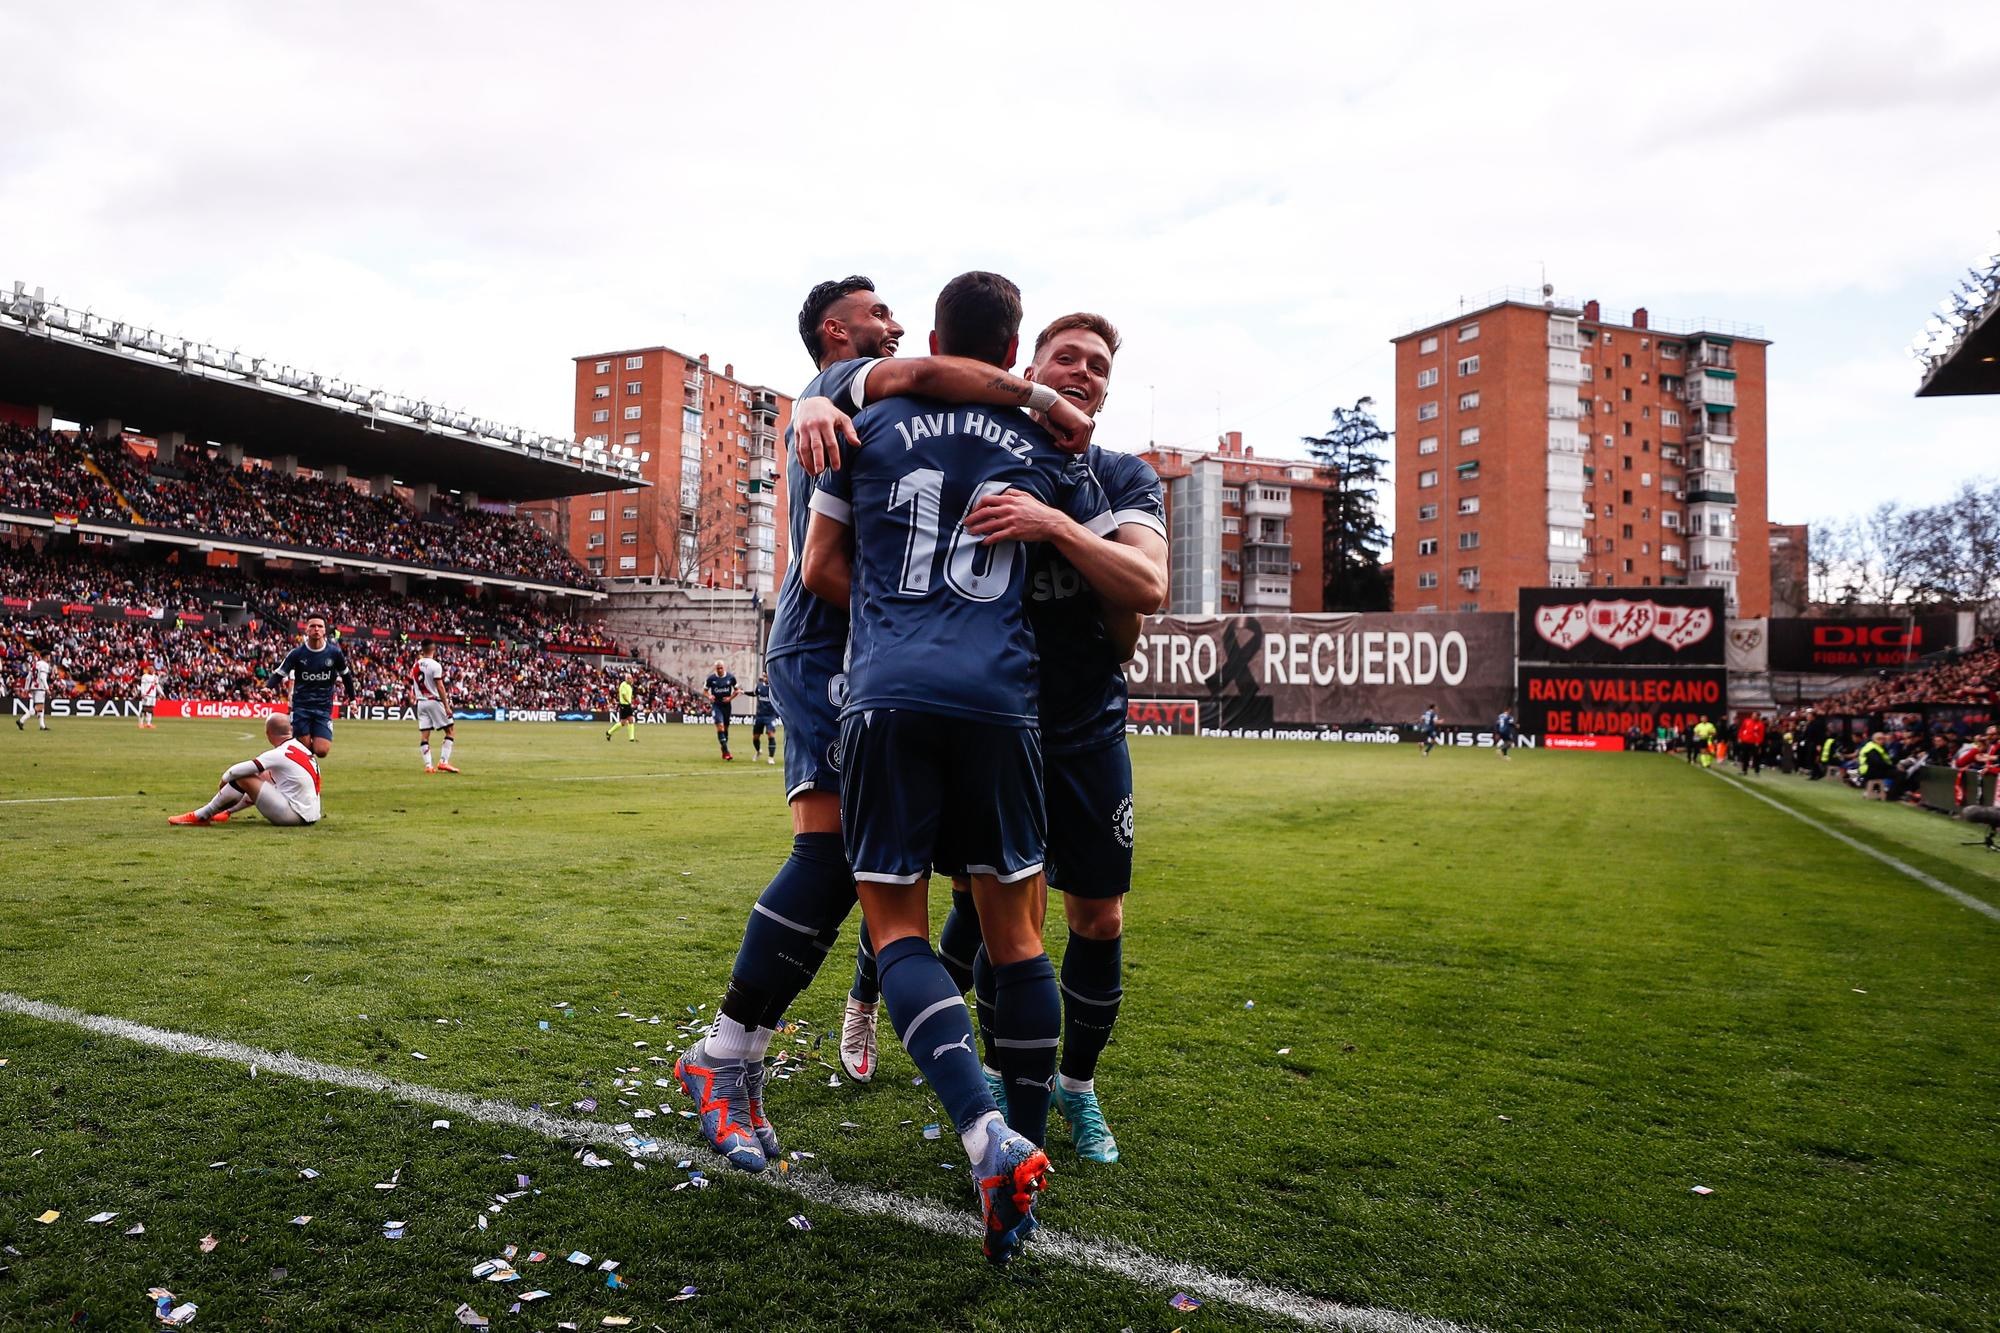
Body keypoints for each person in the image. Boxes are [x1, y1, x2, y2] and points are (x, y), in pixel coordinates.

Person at [679, 273, 1097, 1180]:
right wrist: (1034, 397)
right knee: (836, 862)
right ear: (835, 331)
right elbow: (916, 383)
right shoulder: (835, 388)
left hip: (882, 659)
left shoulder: (882, 399)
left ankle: (746, 1054)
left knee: (892, 875)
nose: (894, 325)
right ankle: (723, 1057)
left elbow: (934, 381)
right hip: (831, 650)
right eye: (877, 315)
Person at [798, 270, 1117, 1262]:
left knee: (894, 923)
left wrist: (902, 623)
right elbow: (1115, 600)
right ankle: (1021, 1153)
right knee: (1016, 936)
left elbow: (817, 570)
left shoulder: (867, 418)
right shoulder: (1059, 448)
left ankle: (980, 1128)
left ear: (931, 335)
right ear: (1016, 344)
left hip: (890, 691)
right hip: (1004, 703)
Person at [169, 713, 322, 827]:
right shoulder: (301, 748)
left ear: (268, 734)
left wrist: (224, 781)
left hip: (293, 816)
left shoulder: (279, 753)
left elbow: (235, 772)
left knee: (244, 778)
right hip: (310, 814)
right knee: (264, 776)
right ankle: (227, 812)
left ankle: (201, 816)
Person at [275, 615, 356, 760]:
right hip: (301, 707)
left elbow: (346, 676)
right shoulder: (297, 653)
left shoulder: (334, 653)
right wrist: (268, 687)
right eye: (312, 626)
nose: (316, 629)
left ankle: (298, 745)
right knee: (304, 750)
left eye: (319, 626)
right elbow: (280, 672)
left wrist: (353, 700)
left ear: (325, 630)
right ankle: (306, 769)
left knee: (322, 751)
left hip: (323, 708)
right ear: (306, 630)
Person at [411, 650, 458, 773]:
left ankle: (428, 766)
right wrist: (446, 706)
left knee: (424, 736)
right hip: (433, 700)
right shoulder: (435, 665)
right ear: (433, 650)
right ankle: (443, 762)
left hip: (421, 702)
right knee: (450, 730)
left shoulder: (416, 665)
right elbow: (440, 686)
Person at [705, 660, 739, 760]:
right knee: (720, 727)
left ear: (724, 667)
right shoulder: (711, 679)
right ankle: (727, 752)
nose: (720, 670)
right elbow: (705, 691)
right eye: (718, 668)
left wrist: (730, 698)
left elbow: (737, 690)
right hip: (716, 706)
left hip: (727, 706)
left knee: (726, 729)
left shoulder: (731, 678)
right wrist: (709, 696)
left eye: (721, 668)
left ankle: (724, 750)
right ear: (715, 668)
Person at [749, 670, 780, 765]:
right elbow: (754, 693)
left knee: (771, 734)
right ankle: (758, 751)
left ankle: (771, 757)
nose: (765, 678)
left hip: (770, 716)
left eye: (766, 676)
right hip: (760, 715)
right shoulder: (759, 685)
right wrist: (743, 692)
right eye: (764, 676)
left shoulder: (775, 687)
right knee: (755, 738)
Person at [22, 650, 53, 731]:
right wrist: (47, 688)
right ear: (46, 656)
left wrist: (26, 688)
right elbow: (42, 677)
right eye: (49, 656)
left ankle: (42, 725)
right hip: (40, 688)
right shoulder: (45, 665)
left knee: (40, 707)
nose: (50, 658)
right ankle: (22, 720)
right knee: (38, 707)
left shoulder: (36, 664)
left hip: (33, 687)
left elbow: (28, 677)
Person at [605, 673, 637, 742]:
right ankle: (609, 732)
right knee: (623, 722)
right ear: (627, 679)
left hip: (627, 705)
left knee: (631, 720)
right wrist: (628, 701)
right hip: (624, 705)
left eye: (631, 678)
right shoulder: (623, 685)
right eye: (630, 678)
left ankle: (631, 738)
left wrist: (630, 700)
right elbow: (623, 695)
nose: (631, 680)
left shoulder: (629, 685)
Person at [137, 664, 160, 730]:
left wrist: (162, 693)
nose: (152, 670)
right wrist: (143, 694)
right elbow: (142, 686)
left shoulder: (155, 677)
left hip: (153, 696)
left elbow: (157, 686)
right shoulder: (144, 676)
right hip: (146, 695)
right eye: (150, 669)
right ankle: (140, 723)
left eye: (152, 669)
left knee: (150, 710)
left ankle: (148, 723)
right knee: (144, 709)